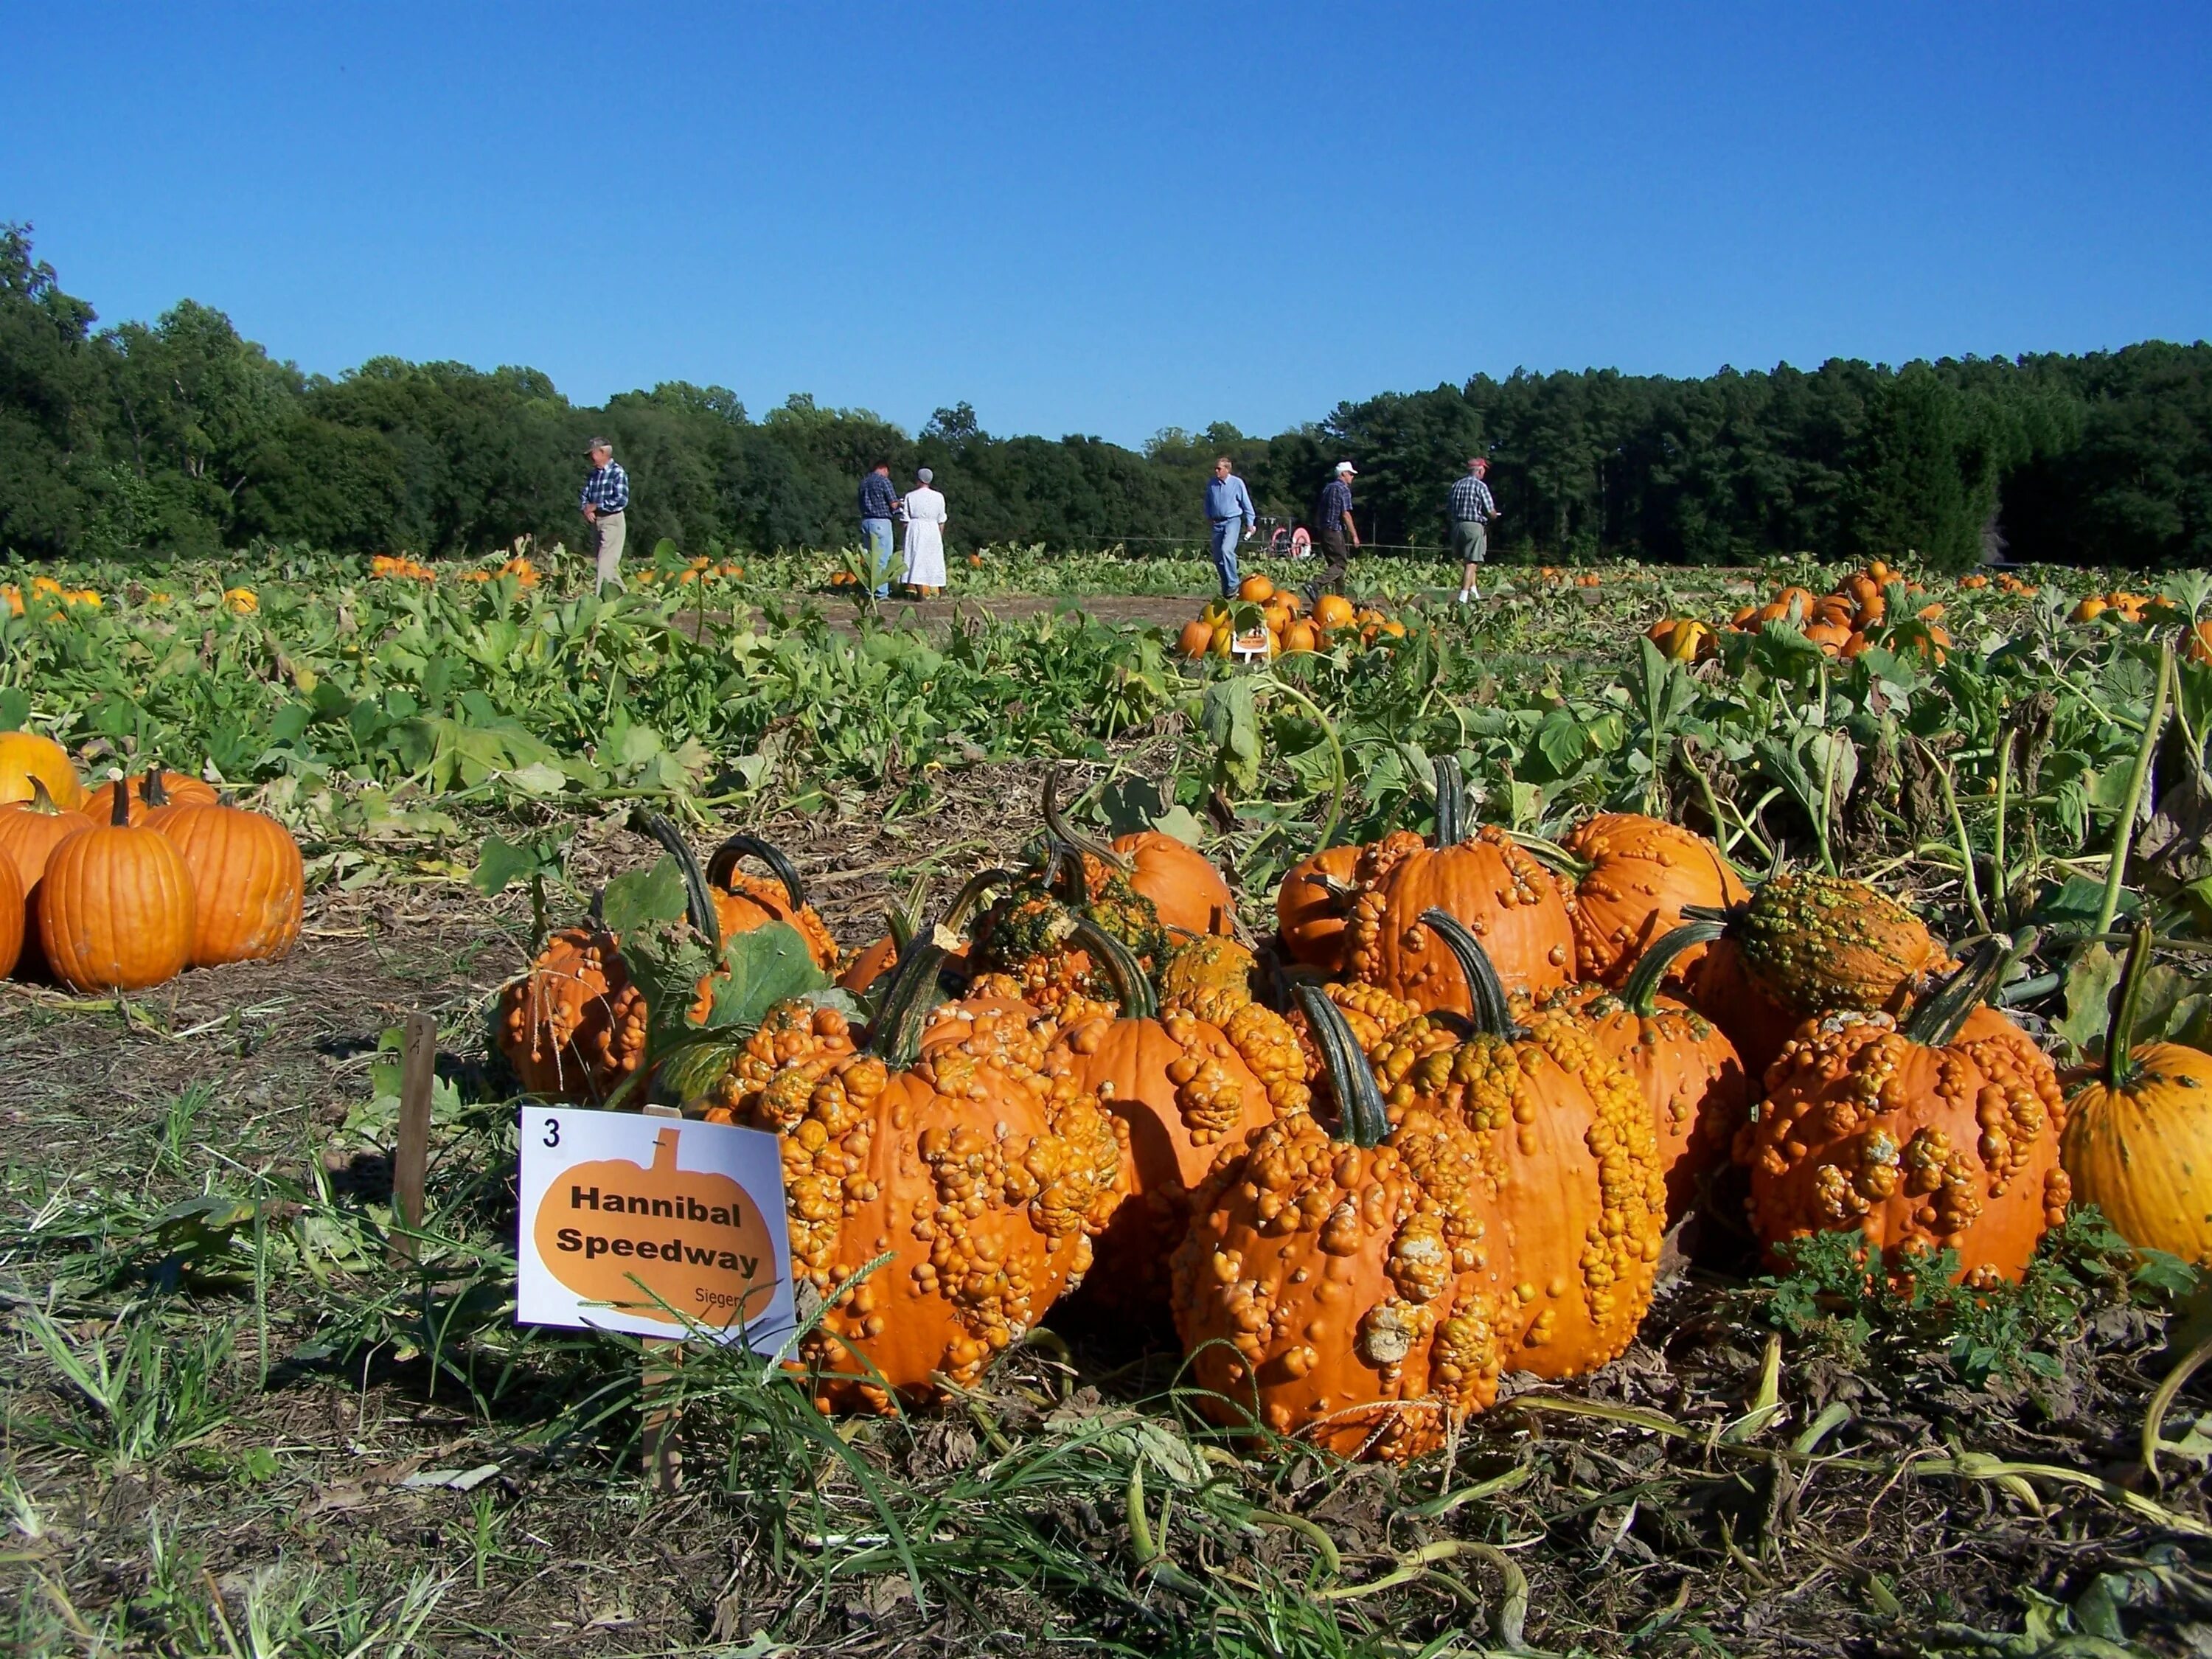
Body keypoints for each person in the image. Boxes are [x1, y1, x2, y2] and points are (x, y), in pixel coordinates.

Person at [579, 438, 630, 590]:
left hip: (612, 520)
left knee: (604, 565)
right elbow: (584, 496)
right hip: (597, 522)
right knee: (606, 566)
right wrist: (586, 509)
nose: (589, 459)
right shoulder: (594, 475)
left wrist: (596, 506)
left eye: (591, 455)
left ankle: (600, 603)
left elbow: (621, 500)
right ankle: (626, 602)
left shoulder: (617, 472)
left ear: (602, 452)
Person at [1448, 456, 1501, 604]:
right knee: (1472, 561)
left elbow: (1450, 508)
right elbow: (1489, 510)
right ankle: (1463, 596)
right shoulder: (1480, 486)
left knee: (1465, 560)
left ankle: (1474, 591)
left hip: (1458, 525)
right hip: (1474, 525)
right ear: (1479, 470)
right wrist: (1494, 516)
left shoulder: (1456, 485)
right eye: (1483, 470)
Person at [1202, 456, 1256, 599]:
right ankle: (1227, 589)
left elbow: (1247, 504)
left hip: (1232, 520)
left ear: (1227, 469)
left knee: (1227, 550)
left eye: (1219, 469)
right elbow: (1207, 501)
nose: (1216, 471)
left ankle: (1234, 582)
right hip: (1216, 523)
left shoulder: (1237, 483)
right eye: (1216, 468)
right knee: (1218, 558)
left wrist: (1250, 523)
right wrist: (1208, 516)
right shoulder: (1211, 484)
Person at [1312, 461, 1359, 595]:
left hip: (1324, 530)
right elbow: (1345, 514)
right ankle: (1316, 584)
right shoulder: (1343, 489)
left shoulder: (1328, 488)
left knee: (1335, 565)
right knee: (1341, 564)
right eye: (1350, 474)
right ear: (1343, 474)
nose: (1352, 477)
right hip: (1334, 530)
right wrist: (1354, 535)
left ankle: (1340, 597)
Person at [900, 467, 947, 597]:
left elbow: (905, 519)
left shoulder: (910, 496)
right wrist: (939, 535)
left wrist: (905, 536)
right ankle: (942, 591)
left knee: (916, 559)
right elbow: (941, 519)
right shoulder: (939, 497)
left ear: (918, 480)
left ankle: (920, 593)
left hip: (915, 529)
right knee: (935, 559)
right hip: (933, 529)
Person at [858, 460, 900, 598]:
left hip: (866, 521)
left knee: (870, 558)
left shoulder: (864, 483)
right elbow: (893, 504)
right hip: (881, 521)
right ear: (884, 469)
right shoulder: (884, 482)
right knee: (883, 558)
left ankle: (869, 589)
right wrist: (901, 502)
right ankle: (881, 592)